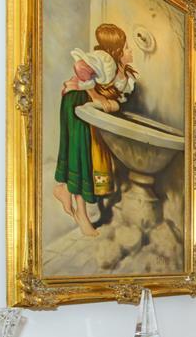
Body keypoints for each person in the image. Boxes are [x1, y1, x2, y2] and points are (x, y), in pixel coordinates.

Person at [53, 23, 138, 236]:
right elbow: (83, 72)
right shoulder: (104, 60)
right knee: (80, 156)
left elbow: (119, 101)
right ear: (117, 50)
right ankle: (81, 214)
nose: (131, 51)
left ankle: (64, 189)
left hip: (89, 110)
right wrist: (98, 97)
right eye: (127, 47)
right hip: (78, 104)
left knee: (88, 158)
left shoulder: (124, 75)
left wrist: (109, 102)